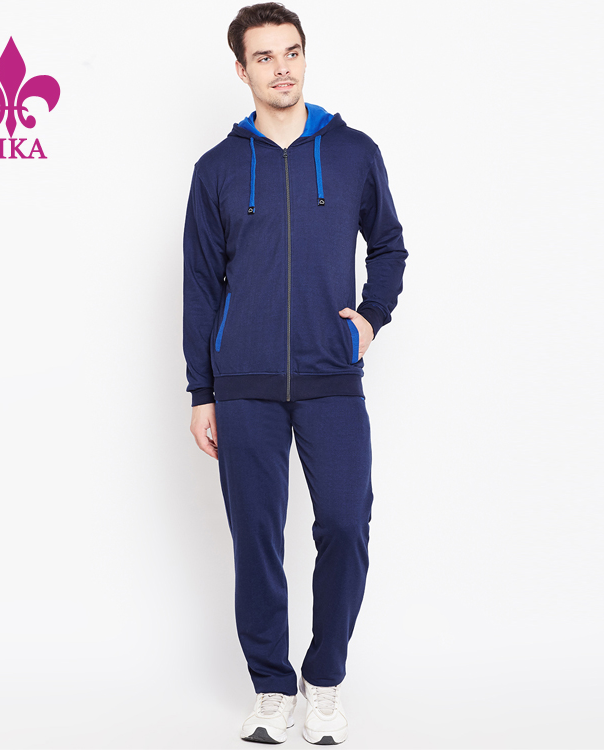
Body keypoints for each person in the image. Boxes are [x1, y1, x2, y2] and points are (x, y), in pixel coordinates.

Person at [182, 2, 408, 744]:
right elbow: (199, 284)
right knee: (256, 538)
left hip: (330, 375)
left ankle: (325, 679)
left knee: (345, 523)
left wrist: (370, 317)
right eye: (265, 57)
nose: (282, 68)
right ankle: (272, 688)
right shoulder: (217, 169)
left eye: (292, 52)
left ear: (304, 56)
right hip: (242, 384)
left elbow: (389, 245)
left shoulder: (352, 153)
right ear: (241, 69)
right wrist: (202, 392)